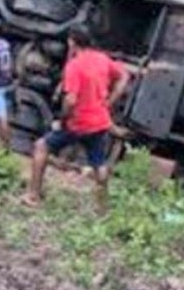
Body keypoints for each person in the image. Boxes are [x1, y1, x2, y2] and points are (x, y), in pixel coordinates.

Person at [22, 25, 130, 213]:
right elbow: (124, 77)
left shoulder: (74, 65)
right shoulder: (102, 59)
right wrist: (109, 102)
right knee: (99, 164)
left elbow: (70, 100)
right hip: (100, 122)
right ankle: (102, 209)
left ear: (72, 41)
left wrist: (62, 120)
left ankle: (33, 195)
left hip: (78, 122)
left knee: (41, 146)